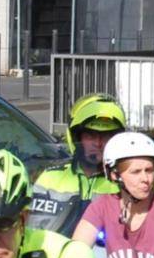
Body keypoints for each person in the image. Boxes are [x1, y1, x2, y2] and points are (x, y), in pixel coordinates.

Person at [31, 92, 124, 233]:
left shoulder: (125, 182)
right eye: (91, 135)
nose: (98, 143)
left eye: (106, 136)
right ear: (76, 138)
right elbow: (33, 230)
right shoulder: (50, 178)